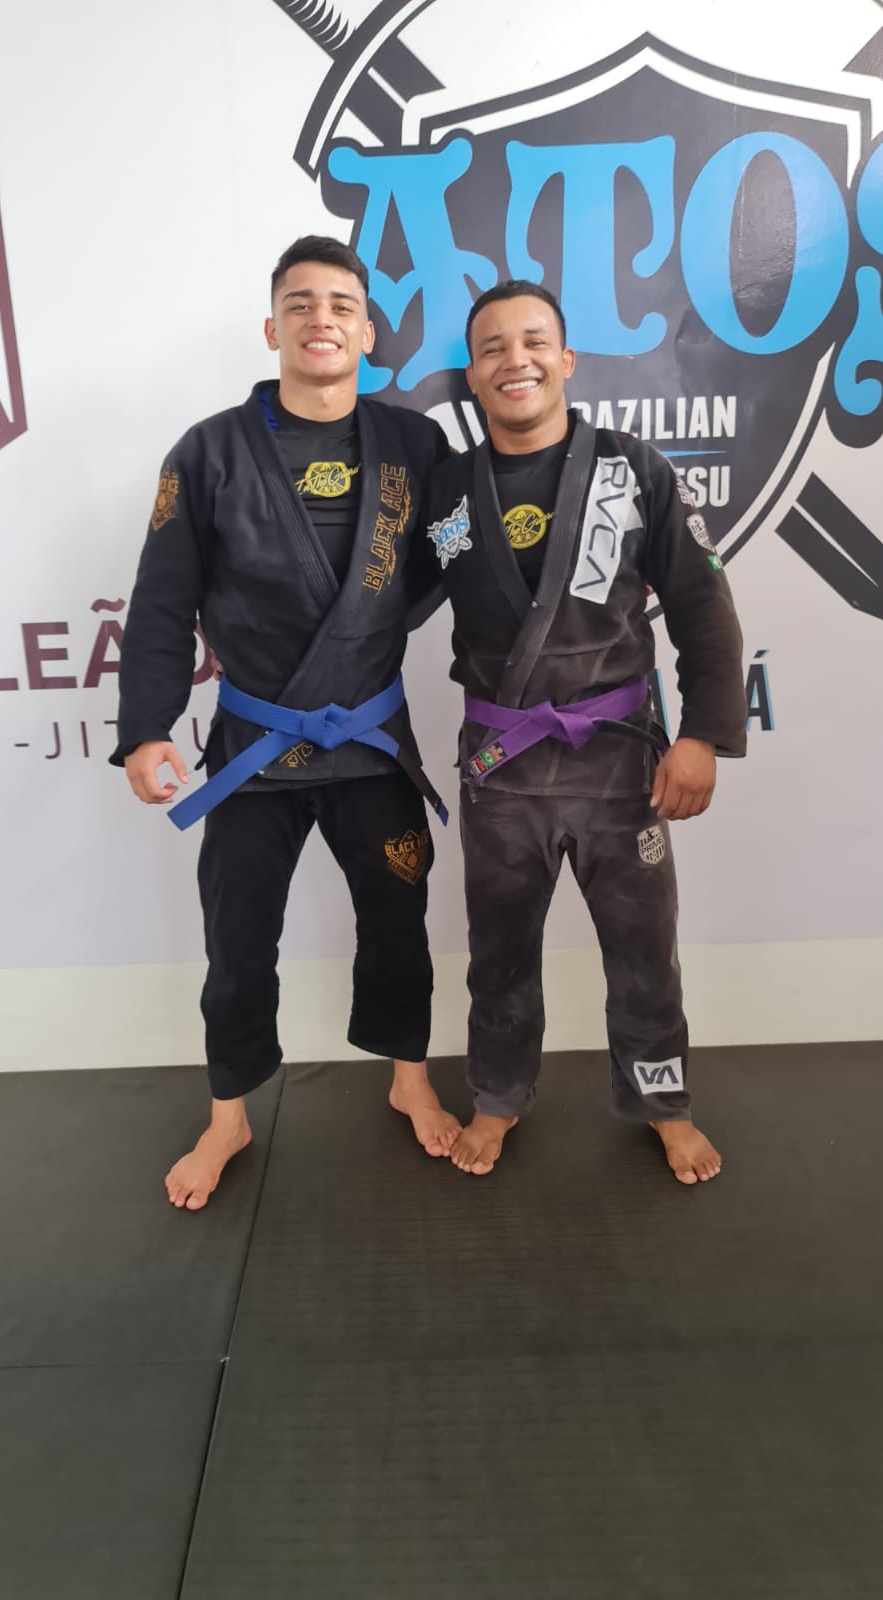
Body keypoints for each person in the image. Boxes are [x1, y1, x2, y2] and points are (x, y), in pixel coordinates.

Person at [113, 235, 459, 1209]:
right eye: (300, 303)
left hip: (370, 741)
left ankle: (409, 1076)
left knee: (399, 922)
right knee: (237, 938)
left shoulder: (417, 448)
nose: (321, 319)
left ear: (369, 331)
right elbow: (161, 600)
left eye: (342, 304)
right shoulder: (208, 452)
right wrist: (147, 726)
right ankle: (227, 1113)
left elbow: (455, 557)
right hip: (253, 749)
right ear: (272, 329)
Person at [423, 279, 747, 1184]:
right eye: (491, 348)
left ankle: (663, 1102)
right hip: (500, 766)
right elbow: (379, 605)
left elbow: (703, 607)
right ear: (472, 376)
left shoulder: (633, 470)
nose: (514, 360)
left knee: (644, 953)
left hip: (619, 762)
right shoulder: (446, 492)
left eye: (534, 342)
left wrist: (703, 735)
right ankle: (496, 1096)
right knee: (498, 953)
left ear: (565, 360)